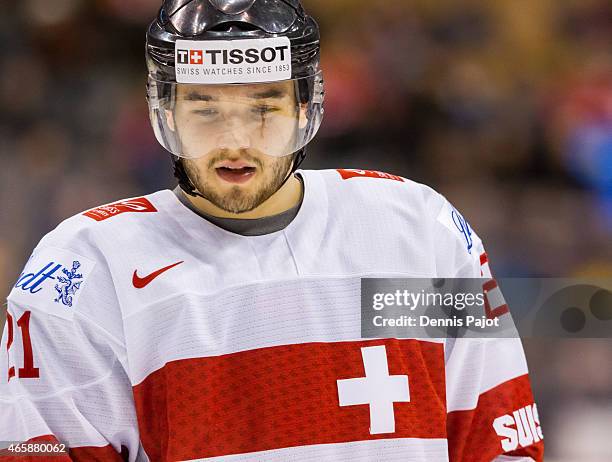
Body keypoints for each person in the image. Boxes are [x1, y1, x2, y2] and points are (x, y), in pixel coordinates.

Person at [0, 1, 544, 461]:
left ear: (304, 106)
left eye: (264, 107)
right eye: (206, 108)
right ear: (165, 108)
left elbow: (496, 437)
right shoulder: (88, 268)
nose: (236, 140)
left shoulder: (412, 231)